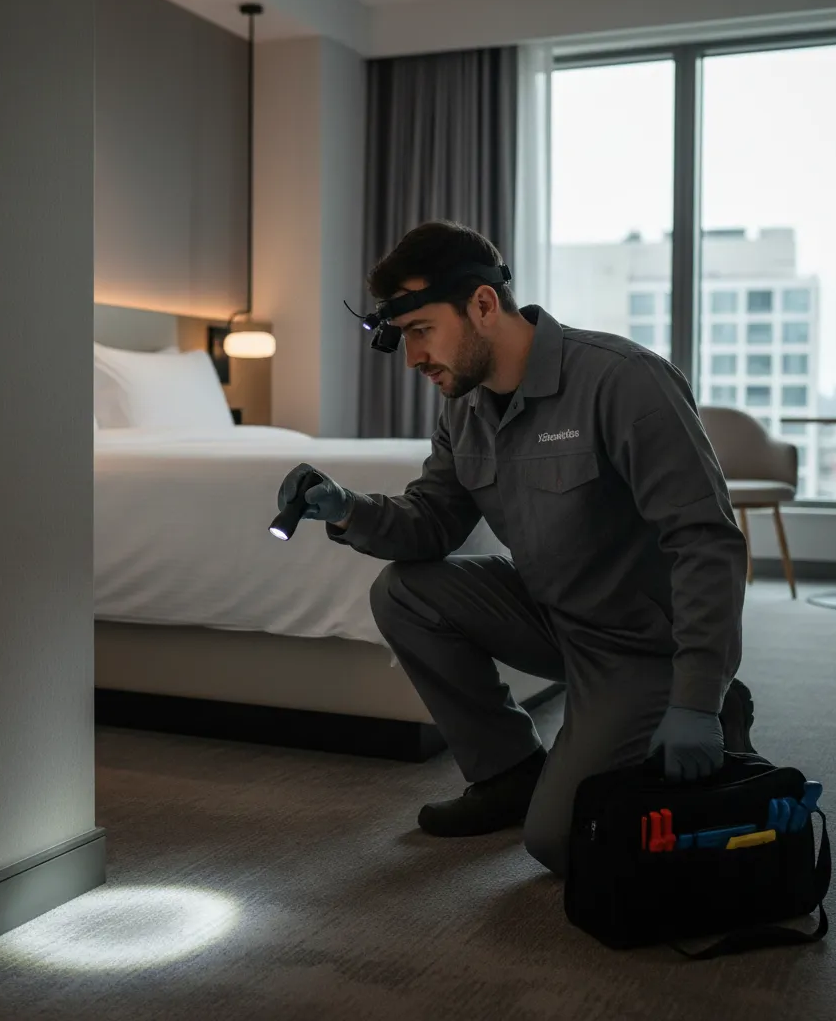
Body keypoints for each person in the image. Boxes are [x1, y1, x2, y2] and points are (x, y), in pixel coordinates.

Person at [275, 220, 754, 877]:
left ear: (481, 304)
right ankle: (508, 773)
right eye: (404, 337)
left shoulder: (625, 382)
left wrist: (695, 695)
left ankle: (716, 710)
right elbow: (432, 523)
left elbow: (708, 542)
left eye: (421, 331)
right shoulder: (463, 408)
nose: (413, 358)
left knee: (561, 842)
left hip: (640, 647)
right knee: (405, 592)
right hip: (554, 616)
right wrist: (347, 508)